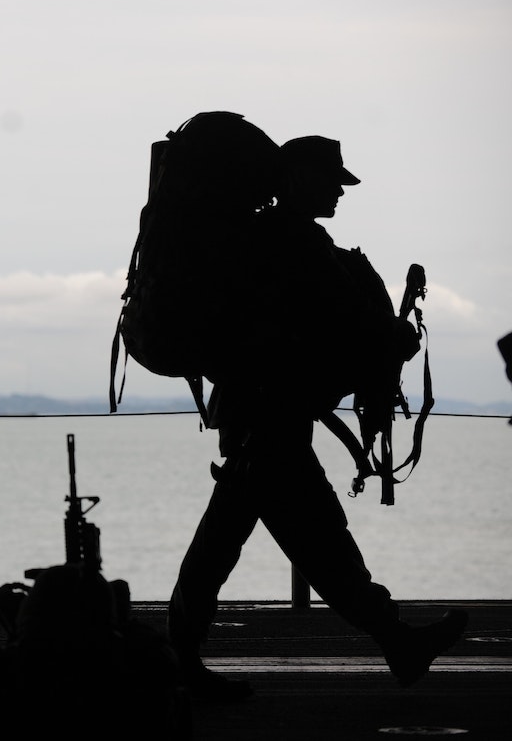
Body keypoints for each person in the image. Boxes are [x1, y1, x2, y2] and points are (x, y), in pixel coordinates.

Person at [166, 133, 469, 702]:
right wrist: (397, 335)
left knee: (232, 545)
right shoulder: (293, 240)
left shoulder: (270, 239)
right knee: (320, 544)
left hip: (259, 415)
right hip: (270, 419)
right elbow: (346, 319)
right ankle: (396, 640)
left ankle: (178, 657)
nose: (338, 191)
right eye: (331, 180)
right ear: (298, 178)